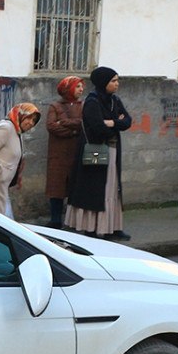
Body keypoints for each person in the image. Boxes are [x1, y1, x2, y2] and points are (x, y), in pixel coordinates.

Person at [65, 66, 133, 240]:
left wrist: (112, 123)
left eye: (117, 80)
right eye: (113, 81)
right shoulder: (92, 102)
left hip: (113, 150)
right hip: (96, 150)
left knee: (112, 188)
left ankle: (113, 226)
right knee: (95, 190)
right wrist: (115, 123)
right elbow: (98, 128)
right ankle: (93, 228)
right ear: (104, 82)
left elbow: (128, 122)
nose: (117, 84)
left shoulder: (114, 100)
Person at [44, 75, 84, 228]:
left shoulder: (83, 105)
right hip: (58, 153)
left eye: (81, 87)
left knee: (75, 186)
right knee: (57, 187)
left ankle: (72, 221)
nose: (81, 90)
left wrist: (66, 123)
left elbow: (84, 124)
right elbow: (52, 126)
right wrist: (73, 132)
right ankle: (55, 219)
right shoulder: (55, 106)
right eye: (78, 86)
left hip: (76, 151)